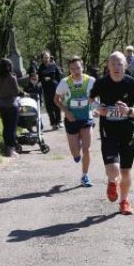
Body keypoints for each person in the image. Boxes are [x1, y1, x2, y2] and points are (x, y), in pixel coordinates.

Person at [89, 51, 134, 215]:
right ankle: (112, 181)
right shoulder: (101, 83)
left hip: (127, 131)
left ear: (125, 65)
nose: (116, 67)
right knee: (113, 169)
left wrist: (128, 111)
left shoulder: (132, 84)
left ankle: (124, 201)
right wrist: (98, 109)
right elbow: (91, 100)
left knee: (125, 171)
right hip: (108, 131)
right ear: (108, 66)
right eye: (112, 63)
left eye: (119, 63)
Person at [54, 56, 96, 187]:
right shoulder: (64, 82)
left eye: (78, 67)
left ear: (82, 67)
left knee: (87, 149)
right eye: (72, 68)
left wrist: (96, 108)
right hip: (71, 119)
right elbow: (56, 99)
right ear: (69, 70)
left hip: (86, 118)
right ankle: (76, 152)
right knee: (75, 152)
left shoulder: (91, 81)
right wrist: (66, 111)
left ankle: (85, 176)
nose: (76, 70)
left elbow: (96, 98)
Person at [0, 58, 21, 158]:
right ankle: (12, 148)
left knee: (6, 127)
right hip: (11, 104)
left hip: (1, 104)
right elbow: (16, 91)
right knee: (12, 128)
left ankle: (7, 147)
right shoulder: (11, 77)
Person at [38, 51, 64, 130]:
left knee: (56, 104)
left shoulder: (54, 65)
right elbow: (39, 78)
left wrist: (59, 86)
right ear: (42, 59)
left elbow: (59, 77)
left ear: (50, 58)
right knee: (49, 107)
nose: (46, 59)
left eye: (47, 58)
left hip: (54, 88)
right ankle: (53, 123)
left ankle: (59, 121)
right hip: (46, 89)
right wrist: (43, 79)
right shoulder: (40, 67)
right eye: (44, 58)